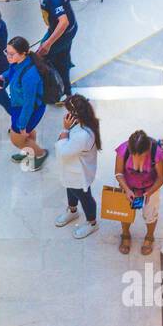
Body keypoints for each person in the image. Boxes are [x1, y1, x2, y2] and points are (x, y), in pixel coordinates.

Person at [0, 38, 47, 171]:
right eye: (7, 52)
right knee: (27, 134)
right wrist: (3, 76)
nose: (8, 56)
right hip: (19, 105)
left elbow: (29, 104)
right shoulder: (20, 61)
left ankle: (39, 154)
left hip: (29, 109)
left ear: (24, 53)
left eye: (12, 54)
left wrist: (22, 124)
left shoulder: (30, 75)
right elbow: (13, 71)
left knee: (16, 139)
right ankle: (29, 152)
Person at [113, 129, 163, 256]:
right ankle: (125, 234)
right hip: (128, 187)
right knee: (125, 214)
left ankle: (149, 237)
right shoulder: (123, 150)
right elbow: (119, 173)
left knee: (150, 214)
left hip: (150, 188)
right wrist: (126, 190)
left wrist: (149, 192)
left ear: (147, 150)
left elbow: (161, 177)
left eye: (141, 156)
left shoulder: (157, 154)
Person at [53, 94, 100, 239]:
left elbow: (63, 151)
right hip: (72, 170)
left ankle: (92, 223)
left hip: (79, 172)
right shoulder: (85, 122)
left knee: (85, 197)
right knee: (70, 188)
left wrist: (65, 130)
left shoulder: (83, 135)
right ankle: (72, 211)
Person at [35, 0, 76, 100]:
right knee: (63, 59)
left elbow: (63, 22)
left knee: (38, 58)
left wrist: (48, 43)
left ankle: (50, 91)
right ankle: (67, 93)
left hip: (62, 33)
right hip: (66, 30)